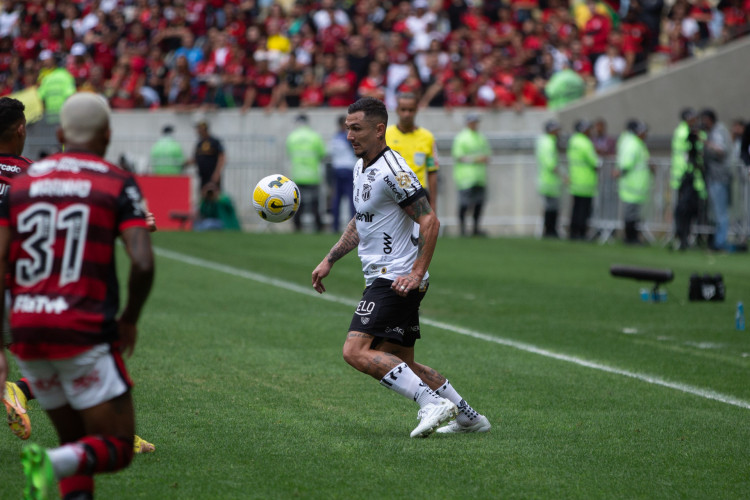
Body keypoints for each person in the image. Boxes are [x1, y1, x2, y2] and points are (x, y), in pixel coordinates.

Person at [0, 92, 154, 499]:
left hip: (28, 328)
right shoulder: (114, 180)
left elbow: (2, 259)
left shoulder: (28, 182)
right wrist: (130, 319)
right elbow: (142, 262)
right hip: (80, 324)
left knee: (77, 442)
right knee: (117, 447)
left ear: (63, 133)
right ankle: (50, 464)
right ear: (107, 133)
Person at [311, 97, 489, 438]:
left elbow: (430, 221)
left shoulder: (394, 170)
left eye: (356, 128)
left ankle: (430, 403)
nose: (349, 136)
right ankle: (468, 417)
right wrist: (330, 258)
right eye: (347, 128)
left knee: (356, 351)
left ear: (379, 130)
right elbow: (363, 219)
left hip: (395, 279)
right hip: (390, 277)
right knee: (402, 363)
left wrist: (416, 273)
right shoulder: (361, 167)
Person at [385, 92, 440, 212]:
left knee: (421, 231)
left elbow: (432, 171)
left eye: (411, 110)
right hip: (392, 194)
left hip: (419, 194)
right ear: (397, 110)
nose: (407, 114)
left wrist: (433, 204)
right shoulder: (385, 135)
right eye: (403, 109)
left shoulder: (428, 137)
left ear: (416, 110)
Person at [671, 108, 707, 251]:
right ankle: (681, 237)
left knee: (693, 209)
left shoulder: (694, 132)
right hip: (685, 176)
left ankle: (689, 237)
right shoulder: (683, 132)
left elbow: (701, 145)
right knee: (683, 209)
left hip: (693, 176)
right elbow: (690, 147)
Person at [613, 120, 653, 245]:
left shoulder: (638, 144)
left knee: (634, 213)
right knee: (631, 213)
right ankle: (630, 237)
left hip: (637, 185)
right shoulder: (634, 144)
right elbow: (627, 163)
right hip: (633, 185)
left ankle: (632, 236)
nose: (646, 134)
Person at [451, 113, 491, 237]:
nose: (474, 124)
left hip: (479, 177)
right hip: (465, 177)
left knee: (479, 203)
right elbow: (458, 156)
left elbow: (487, 154)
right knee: (464, 204)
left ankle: (475, 228)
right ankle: (462, 229)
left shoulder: (481, 137)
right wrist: (476, 159)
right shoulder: (461, 137)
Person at [287, 114, 326, 232]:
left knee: (297, 203)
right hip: (312, 174)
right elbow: (322, 153)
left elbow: (289, 153)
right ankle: (318, 226)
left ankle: (297, 226)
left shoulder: (292, 137)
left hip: (297, 174)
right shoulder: (315, 136)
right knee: (314, 202)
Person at [701, 108, 732, 251]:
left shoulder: (718, 131)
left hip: (719, 177)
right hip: (715, 176)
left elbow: (721, 150)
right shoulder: (714, 131)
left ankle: (720, 243)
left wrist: (705, 143)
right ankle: (717, 241)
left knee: (721, 212)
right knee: (716, 212)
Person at [567, 119, 601, 240]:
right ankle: (581, 233)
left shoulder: (573, 141)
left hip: (575, 180)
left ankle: (573, 232)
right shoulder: (585, 143)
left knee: (576, 208)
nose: (590, 131)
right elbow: (595, 162)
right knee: (584, 210)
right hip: (586, 181)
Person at [328, 115, 357, 233]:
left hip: (337, 168)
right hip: (348, 168)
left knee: (337, 199)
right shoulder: (348, 137)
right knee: (352, 198)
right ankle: (353, 227)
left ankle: (335, 226)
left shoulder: (335, 138)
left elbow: (329, 153)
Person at [536, 120, 563, 238]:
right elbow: (551, 163)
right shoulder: (548, 143)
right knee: (551, 207)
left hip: (547, 179)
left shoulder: (545, 142)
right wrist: (563, 175)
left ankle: (550, 230)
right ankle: (550, 230)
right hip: (549, 180)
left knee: (551, 207)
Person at [185, 120, 226, 196]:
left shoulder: (214, 141)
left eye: (199, 129)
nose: (197, 131)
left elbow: (222, 157)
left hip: (213, 174)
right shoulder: (199, 143)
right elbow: (196, 158)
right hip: (202, 175)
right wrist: (186, 163)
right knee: (203, 195)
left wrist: (217, 173)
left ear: (204, 129)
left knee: (215, 195)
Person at [36, 51, 76, 122]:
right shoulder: (66, 75)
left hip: (50, 117)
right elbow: (70, 95)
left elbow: (40, 97)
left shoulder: (46, 78)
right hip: (64, 117)